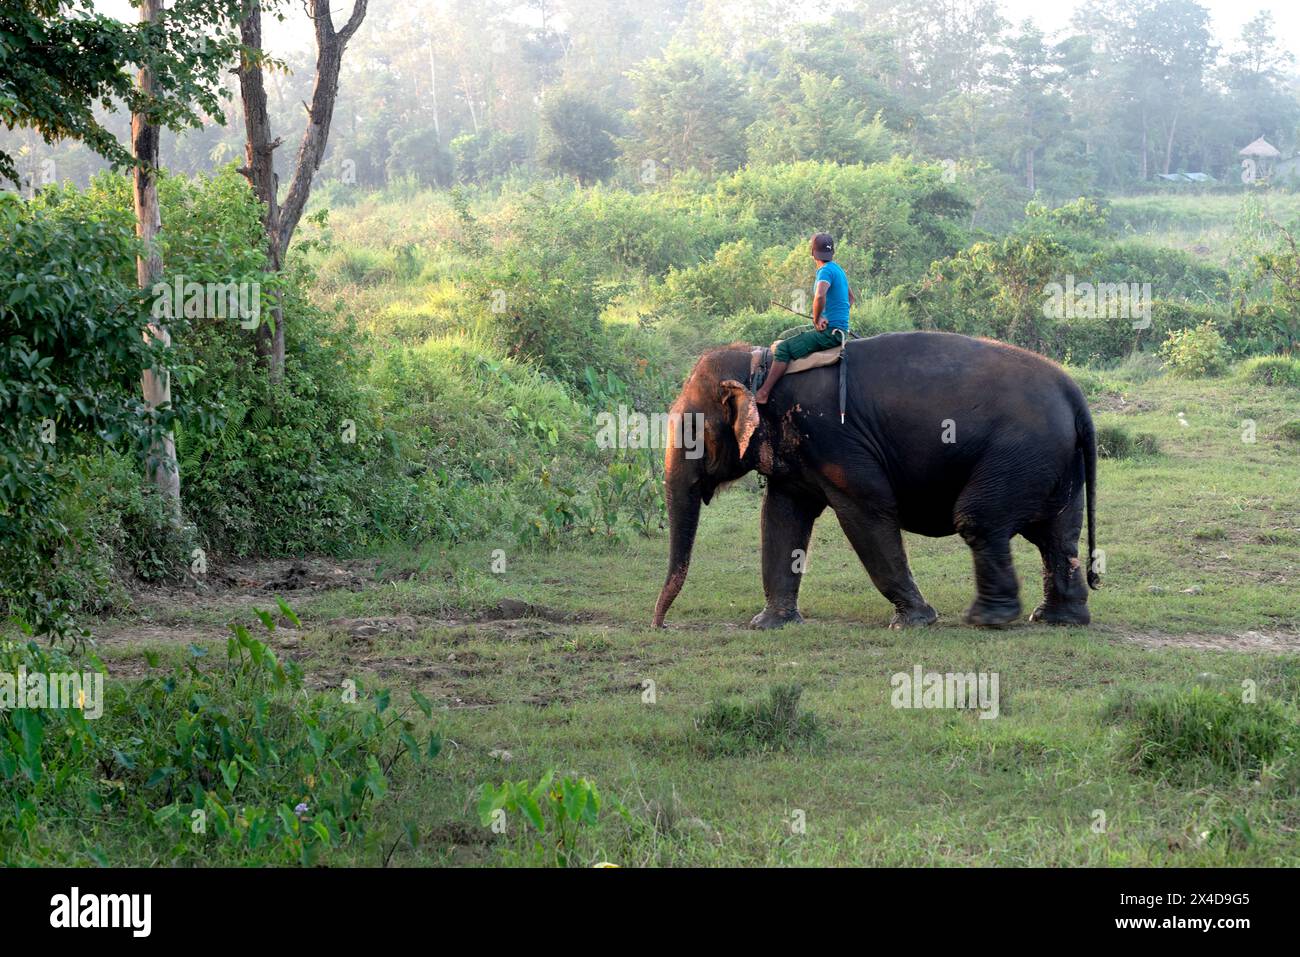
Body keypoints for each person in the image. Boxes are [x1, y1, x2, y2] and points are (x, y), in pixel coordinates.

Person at [755, 232, 854, 404]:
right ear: (833, 253)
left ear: (813, 253)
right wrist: (834, 316)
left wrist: (817, 319)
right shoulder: (838, 270)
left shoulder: (824, 271)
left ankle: (763, 393)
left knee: (783, 349)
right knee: (791, 335)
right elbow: (851, 299)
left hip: (831, 333)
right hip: (839, 328)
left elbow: (820, 296)